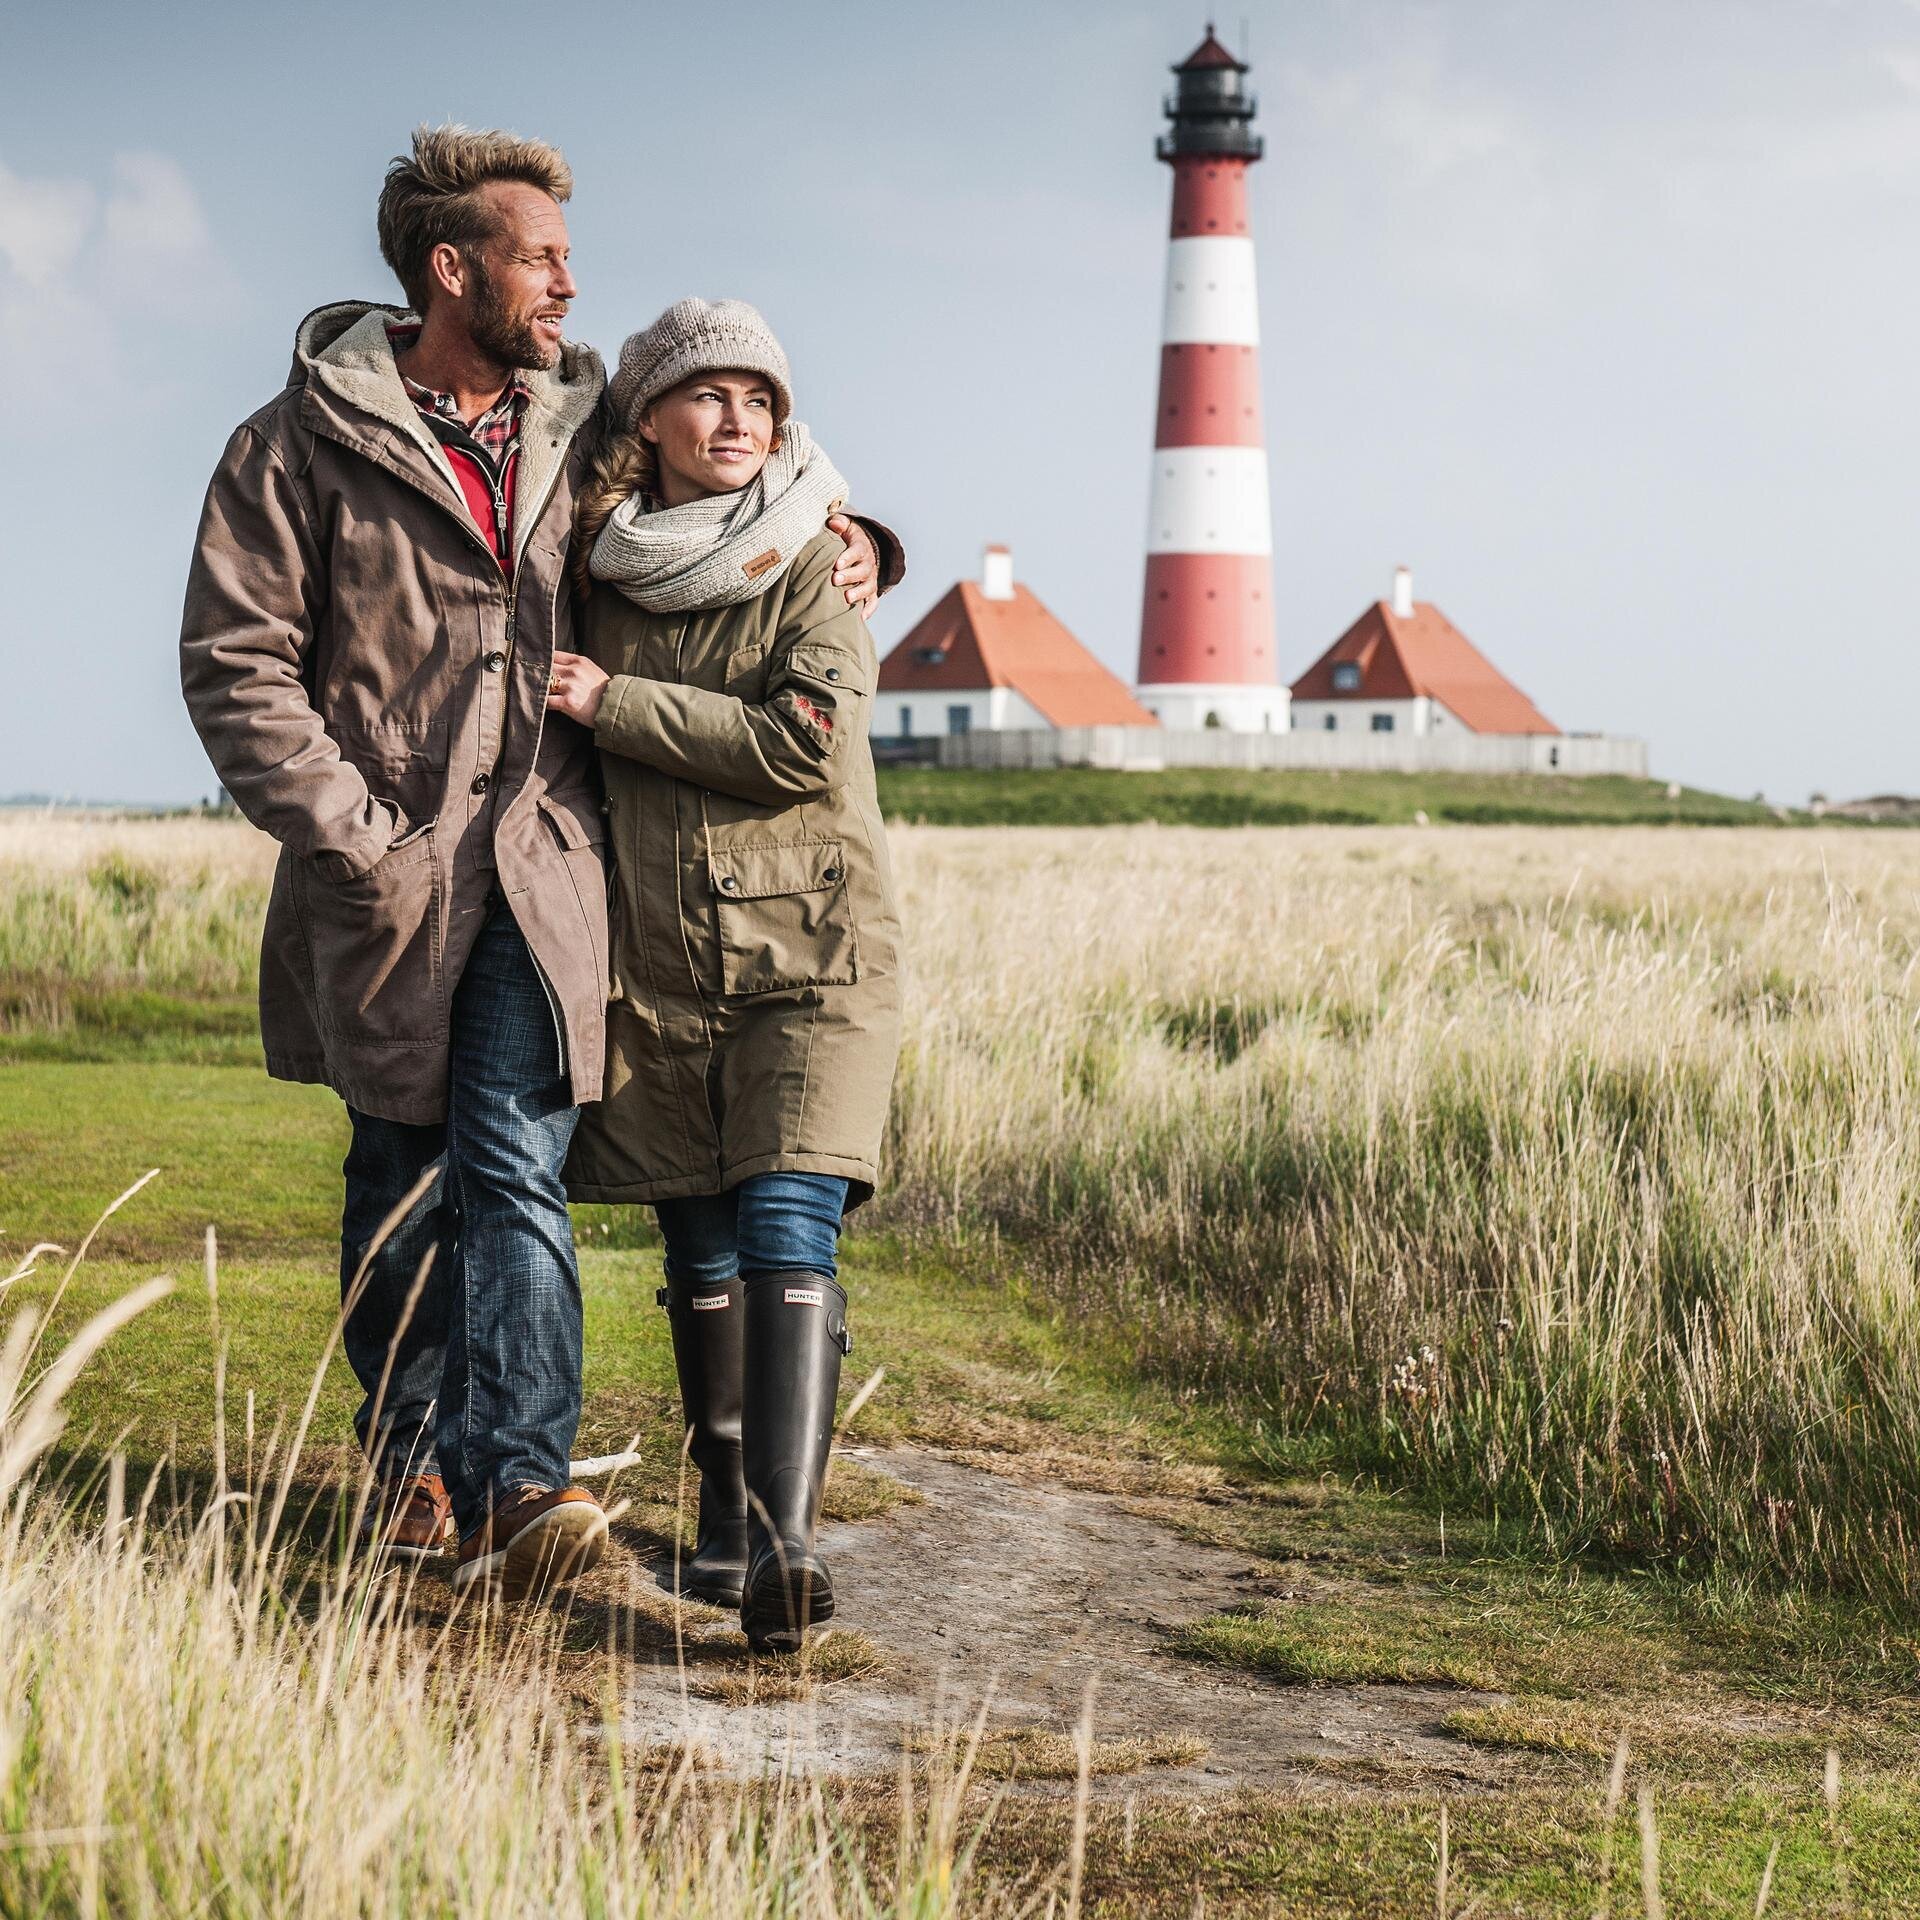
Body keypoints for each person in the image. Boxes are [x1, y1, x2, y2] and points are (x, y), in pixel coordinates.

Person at [178, 128, 897, 1602]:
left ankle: (524, 1485)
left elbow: (741, 496)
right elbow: (237, 664)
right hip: (382, 878)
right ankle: (419, 1463)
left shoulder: (591, 428)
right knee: (401, 1170)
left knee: (515, 1164)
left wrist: (862, 538)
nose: (569, 280)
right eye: (539, 254)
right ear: (454, 270)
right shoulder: (292, 443)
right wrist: (355, 838)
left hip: (557, 867)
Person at [548, 299, 903, 1654]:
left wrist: (611, 704)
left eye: (759, 396)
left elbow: (804, 742)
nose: (737, 419)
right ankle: (719, 1512)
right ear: (645, 421)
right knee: (693, 1235)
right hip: (658, 959)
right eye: (706, 396)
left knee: (784, 1227)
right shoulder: (597, 568)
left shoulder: (818, 553)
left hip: (815, 950)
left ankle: (781, 1543)